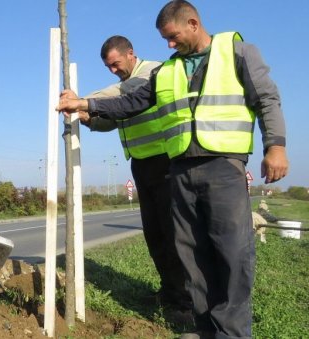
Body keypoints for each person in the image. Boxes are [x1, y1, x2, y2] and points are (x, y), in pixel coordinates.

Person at [57, 1, 289, 338]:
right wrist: (85, 104)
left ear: (193, 24)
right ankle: (204, 327)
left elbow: (267, 98)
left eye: (172, 36)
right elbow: (130, 103)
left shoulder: (237, 52)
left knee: (231, 252)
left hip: (222, 166)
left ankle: (232, 332)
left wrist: (276, 146)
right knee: (191, 254)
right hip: (180, 170)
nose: (168, 44)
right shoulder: (167, 70)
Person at [74, 35, 192, 314]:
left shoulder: (154, 71)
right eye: (108, 68)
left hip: (165, 162)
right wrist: (88, 119)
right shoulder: (126, 85)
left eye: (115, 64)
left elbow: (123, 94)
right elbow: (114, 120)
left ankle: (187, 303)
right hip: (141, 165)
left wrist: (82, 101)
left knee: (174, 234)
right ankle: (169, 292)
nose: (113, 70)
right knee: (155, 235)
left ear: (130, 54)